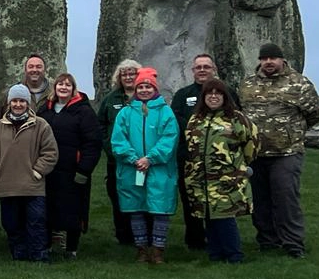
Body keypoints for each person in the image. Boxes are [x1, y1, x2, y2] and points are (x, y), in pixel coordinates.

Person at [240, 42, 319, 258]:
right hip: (256, 154)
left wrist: (291, 132)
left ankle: (293, 243)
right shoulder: (248, 85)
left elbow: (314, 114)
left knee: (286, 198)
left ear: (282, 60)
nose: (268, 62)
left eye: (273, 58)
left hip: (286, 152)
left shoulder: (299, 84)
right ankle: (267, 240)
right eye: (264, 58)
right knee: (261, 200)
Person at [170, 54, 241, 250]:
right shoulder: (182, 95)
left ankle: (222, 241)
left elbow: (237, 120)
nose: (202, 70)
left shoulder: (228, 93)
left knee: (219, 201)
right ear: (192, 71)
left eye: (206, 67)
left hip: (220, 159)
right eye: (198, 67)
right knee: (191, 199)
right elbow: (175, 122)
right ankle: (195, 240)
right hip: (190, 158)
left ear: (214, 69)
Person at [109, 67, 180, 264]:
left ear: (155, 89)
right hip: (133, 169)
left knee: (160, 209)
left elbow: (170, 139)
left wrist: (151, 158)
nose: (144, 90)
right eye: (141, 87)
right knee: (136, 209)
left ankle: (158, 250)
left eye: (148, 86)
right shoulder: (125, 113)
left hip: (158, 169)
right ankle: (141, 249)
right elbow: (118, 140)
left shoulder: (166, 112)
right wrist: (133, 158)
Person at [184, 78, 257, 265]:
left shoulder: (236, 118)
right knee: (208, 215)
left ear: (225, 97)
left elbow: (252, 144)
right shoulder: (196, 119)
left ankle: (234, 255)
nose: (214, 97)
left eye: (218, 93)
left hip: (227, 178)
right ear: (204, 97)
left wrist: (240, 165)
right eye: (210, 93)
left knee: (225, 217)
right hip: (201, 178)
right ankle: (215, 254)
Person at [0, 85, 59, 263]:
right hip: (7, 184)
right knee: (11, 224)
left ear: (28, 103)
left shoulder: (40, 125)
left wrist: (38, 172)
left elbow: (50, 152)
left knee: (36, 223)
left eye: (22, 101)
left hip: (33, 184)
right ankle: (19, 254)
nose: (18, 104)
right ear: (9, 103)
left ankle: (38, 255)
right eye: (15, 101)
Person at [36, 72, 103, 259]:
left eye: (67, 85)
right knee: (48, 206)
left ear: (74, 89)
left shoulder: (84, 111)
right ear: (54, 88)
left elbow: (93, 143)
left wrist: (84, 169)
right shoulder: (46, 110)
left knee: (74, 208)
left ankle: (71, 248)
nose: (63, 88)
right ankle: (47, 244)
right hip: (48, 168)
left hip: (73, 168)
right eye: (60, 85)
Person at [95, 58, 141, 246]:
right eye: (124, 74)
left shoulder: (145, 96)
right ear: (119, 77)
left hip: (141, 159)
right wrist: (109, 146)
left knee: (141, 196)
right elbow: (101, 125)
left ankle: (142, 234)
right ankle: (123, 235)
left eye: (132, 73)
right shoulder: (111, 99)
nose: (128, 77)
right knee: (117, 195)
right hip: (117, 159)